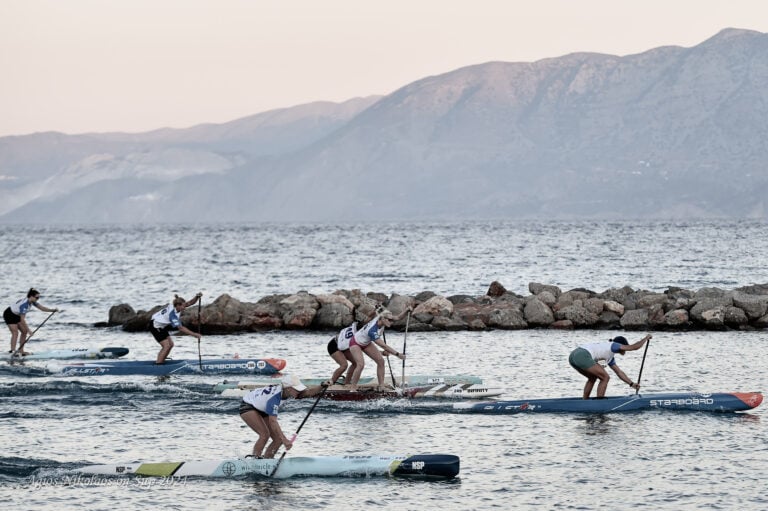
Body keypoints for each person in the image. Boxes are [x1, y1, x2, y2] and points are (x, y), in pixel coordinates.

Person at [239, 373, 307, 459]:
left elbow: (307, 393)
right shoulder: (275, 398)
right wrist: (285, 439)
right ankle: (255, 460)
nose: (299, 391)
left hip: (262, 408)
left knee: (278, 439)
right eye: (297, 389)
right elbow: (273, 421)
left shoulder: (287, 392)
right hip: (248, 405)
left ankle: (268, 460)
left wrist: (322, 386)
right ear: (289, 389)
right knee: (264, 435)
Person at [569, 334, 652, 399]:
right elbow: (634, 347)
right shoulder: (614, 345)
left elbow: (619, 372)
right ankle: (599, 402)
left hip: (573, 356)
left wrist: (631, 384)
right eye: (625, 346)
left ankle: (585, 402)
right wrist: (645, 338)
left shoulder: (609, 357)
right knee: (605, 377)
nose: (625, 350)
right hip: (582, 354)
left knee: (593, 378)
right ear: (621, 345)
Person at [347, 308, 410, 392]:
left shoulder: (382, 318)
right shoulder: (372, 331)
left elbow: (398, 317)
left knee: (381, 361)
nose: (391, 322)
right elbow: (383, 345)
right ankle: (353, 388)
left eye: (392, 320)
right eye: (390, 320)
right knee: (360, 364)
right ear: (383, 319)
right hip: (355, 343)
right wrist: (398, 354)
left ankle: (381, 386)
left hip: (366, 342)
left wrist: (407, 310)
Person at [149, 293, 202, 364]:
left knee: (171, 344)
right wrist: (194, 334)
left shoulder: (177, 306)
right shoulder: (172, 315)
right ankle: (158, 365)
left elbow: (190, 303)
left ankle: (162, 360)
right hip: (155, 326)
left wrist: (197, 297)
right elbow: (181, 328)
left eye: (184, 305)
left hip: (161, 326)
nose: (184, 308)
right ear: (178, 305)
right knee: (166, 346)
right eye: (183, 306)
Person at [4, 288, 59, 355]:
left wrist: (53, 310)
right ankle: (12, 351)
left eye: (38, 297)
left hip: (17, 314)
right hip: (9, 314)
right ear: (31, 296)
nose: (38, 299)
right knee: (15, 332)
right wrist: (29, 330)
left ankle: (21, 351)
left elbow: (42, 308)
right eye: (37, 297)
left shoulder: (32, 301)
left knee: (24, 332)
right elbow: (22, 320)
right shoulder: (24, 305)